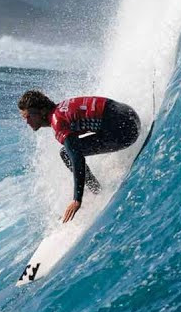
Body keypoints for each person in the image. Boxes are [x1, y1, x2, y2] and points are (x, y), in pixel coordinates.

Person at [18, 89, 141, 223]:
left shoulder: (58, 122)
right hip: (130, 115)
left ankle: (97, 191)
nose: (27, 122)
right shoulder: (62, 108)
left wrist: (77, 199)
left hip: (126, 131)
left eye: (29, 116)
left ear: (42, 111)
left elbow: (77, 159)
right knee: (68, 151)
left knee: (66, 154)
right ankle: (96, 189)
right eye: (24, 118)